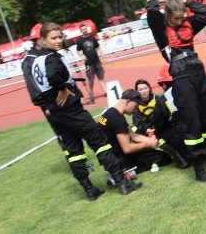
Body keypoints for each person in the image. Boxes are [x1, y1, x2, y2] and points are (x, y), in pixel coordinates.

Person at [21, 23, 141, 200]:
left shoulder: (33, 61)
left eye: (60, 37)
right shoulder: (50, 58)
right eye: (54, 38)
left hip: (55, 112)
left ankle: (89, 189)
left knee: (74, 151)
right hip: (70, 109)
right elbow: (54, 76)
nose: (59, 41)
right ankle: (122, 182)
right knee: (100, 142)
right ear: (42, 39)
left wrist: (48, 104)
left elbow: (38, 89)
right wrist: (62, 87)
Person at [144, 0, 206, 182]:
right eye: (176, 17)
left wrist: (186, 2)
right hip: (181, 78)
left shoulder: (188, 24)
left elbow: (204, 13)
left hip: (198, 73)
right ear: (167, 16)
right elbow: (151, 11)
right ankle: (199, 169)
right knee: (191, 121)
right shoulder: (161, 28)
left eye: (182, 16)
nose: (180, 20)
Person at [97, 88, 172, 174]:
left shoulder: (110, 113)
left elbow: (133, 136)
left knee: (151, 153)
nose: (135, 110)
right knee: (164, 158)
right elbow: (127, 149)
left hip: (109, 158)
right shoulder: (117, 119)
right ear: (128, 101)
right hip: (119, 159)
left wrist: (151, 140)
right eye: (135, 106)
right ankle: (123, 171)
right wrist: (148, 144)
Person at [151, 65, 190, 168]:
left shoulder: (162, 100)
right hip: (197, 131)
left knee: (157, 134)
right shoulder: (188, 91)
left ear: (163, 84)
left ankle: (180, 159)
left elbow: (157, 122)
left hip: (182, 135)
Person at [75, 23, 107, 104]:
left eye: (85, 29)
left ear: (87, 29)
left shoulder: (92, 37)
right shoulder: (80, 40)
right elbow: (78, 51)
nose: (84, 31)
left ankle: (106, 91)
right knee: (91, 79)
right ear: (81, 31)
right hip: (88, 63)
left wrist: (103, 55)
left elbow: (98, 47)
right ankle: (91, 93)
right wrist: (82, 55)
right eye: (82, 30)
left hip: (97, 61)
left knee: (101, 77)